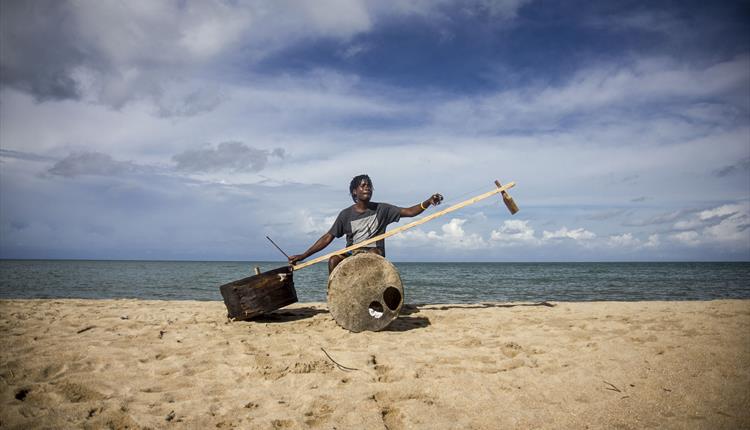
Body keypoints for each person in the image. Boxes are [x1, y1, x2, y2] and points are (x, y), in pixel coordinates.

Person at [288, 174, 443, 274]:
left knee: (374, 253)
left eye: (369, 185)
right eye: (363, 185)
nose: (367, 187)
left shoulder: (383, 209)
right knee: (334, 260)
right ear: (355, 192)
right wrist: (304, 255)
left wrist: (428, 202)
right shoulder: (345, 214)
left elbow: (409, 212)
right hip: (352, 253)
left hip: (374, 252)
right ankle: (336, 295)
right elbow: (328, 237)